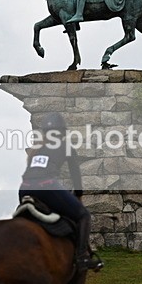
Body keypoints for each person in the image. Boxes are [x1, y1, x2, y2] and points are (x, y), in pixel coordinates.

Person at [19, 112, 103, 272]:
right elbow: (75, 174)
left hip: (24, 189)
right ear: (63, 132)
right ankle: (81, 257)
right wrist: (78, 194)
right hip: (47, 186)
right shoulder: (65, 146)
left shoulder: (36, 149)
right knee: (84, 215)